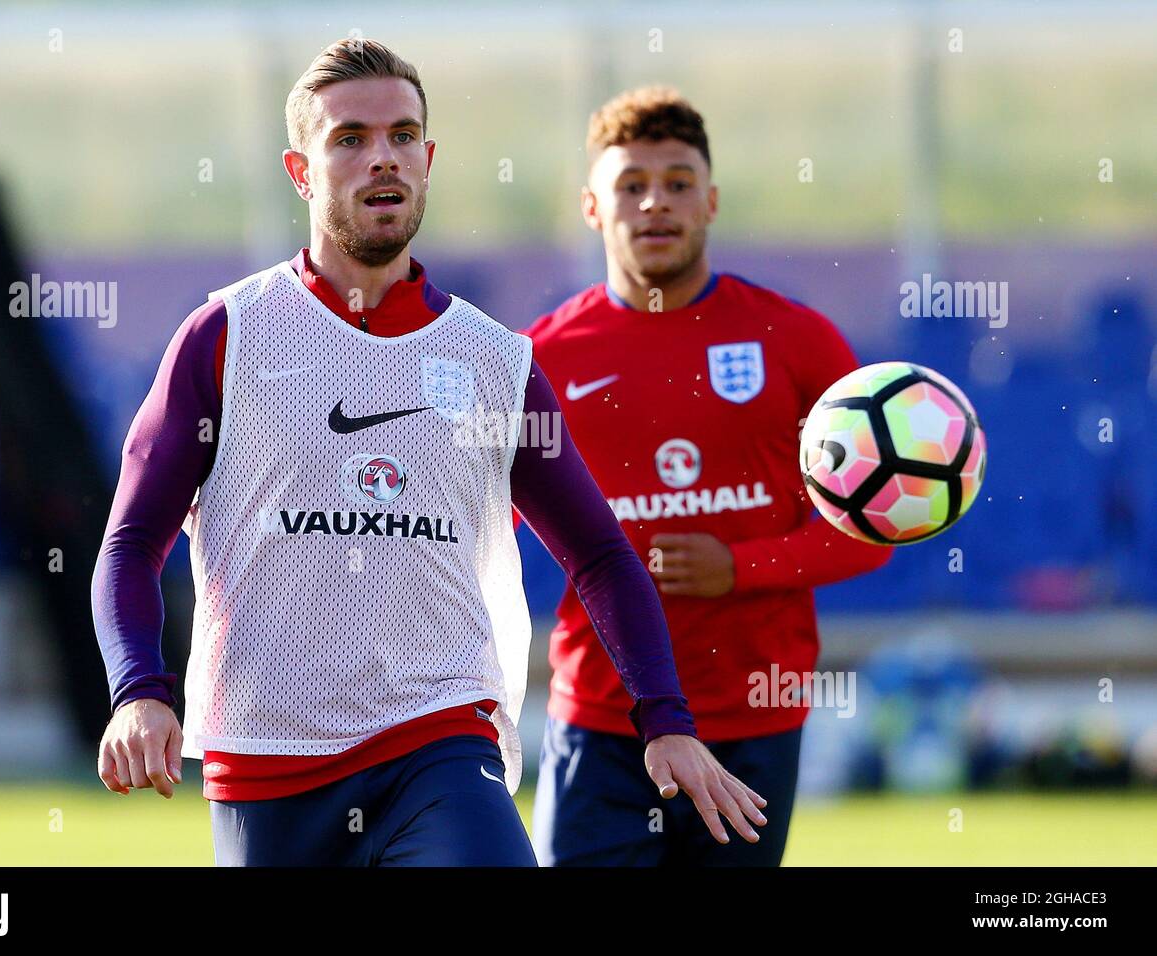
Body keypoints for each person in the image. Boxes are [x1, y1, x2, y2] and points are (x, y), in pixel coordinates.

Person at [91, 41, 767, 867]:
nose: (383, 157)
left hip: (441, 742)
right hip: (265, 761)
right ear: (301, 170)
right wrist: (138, 693)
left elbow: (598, 554)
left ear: (429, 158)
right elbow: (130, 543)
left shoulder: (493, 361)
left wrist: (665, 718)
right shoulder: (226, 336)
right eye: (349, 139)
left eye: (403, 135)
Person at [526, 87, 891, 866]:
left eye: (679, 183)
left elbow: (873, 532)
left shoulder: (796, 341)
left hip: (753, 718)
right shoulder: (540, 359)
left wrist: (740, 567)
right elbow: (477, 523)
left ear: (712, 200)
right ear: (593, 206)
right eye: (631, 185)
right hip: (602, 719)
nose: (655, 203)